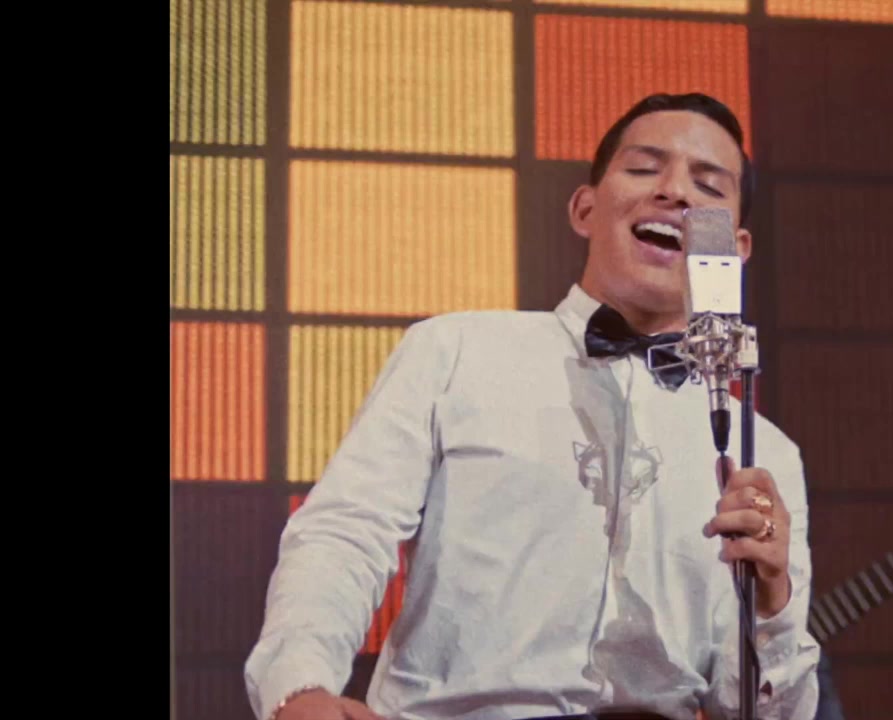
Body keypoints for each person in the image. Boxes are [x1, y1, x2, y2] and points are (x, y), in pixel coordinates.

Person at [243, 92, 822, 720]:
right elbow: (347, 532)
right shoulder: (456, 351)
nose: (675, 191)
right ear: (584, 208)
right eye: (644, 168)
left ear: (735, 249)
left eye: (707, 185)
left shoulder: (765, 452)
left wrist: (772, 601)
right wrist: (299, 686)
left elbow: (763, 712)